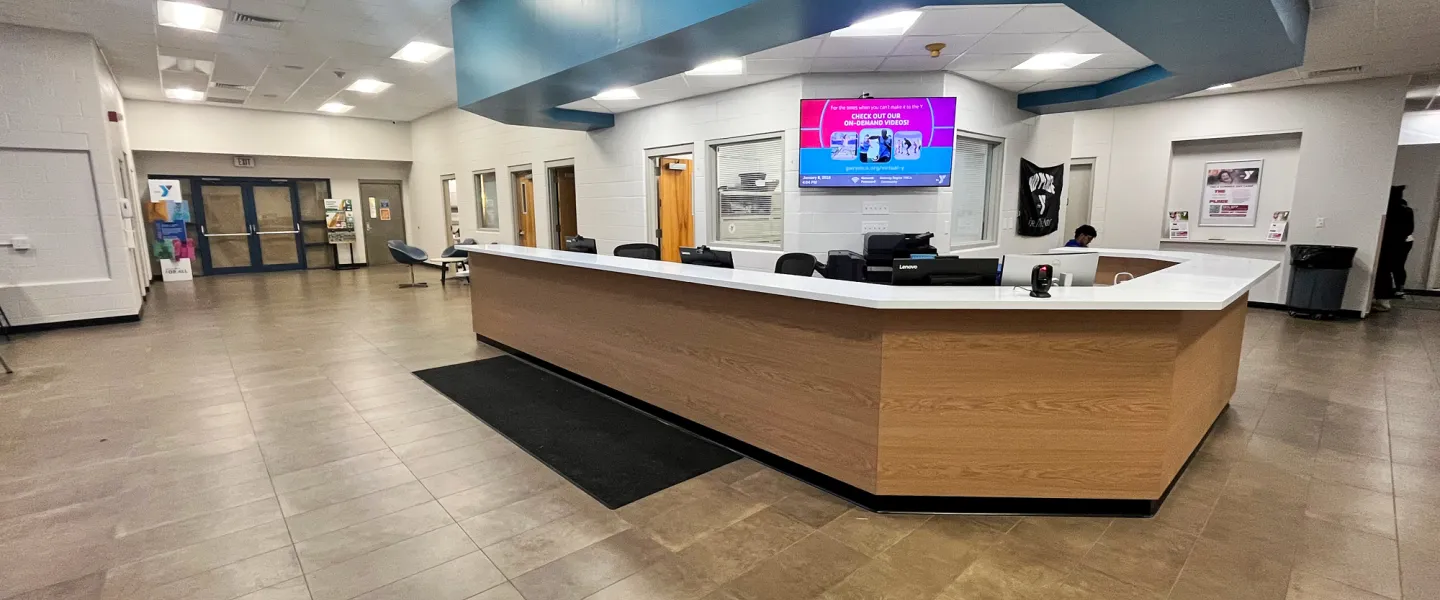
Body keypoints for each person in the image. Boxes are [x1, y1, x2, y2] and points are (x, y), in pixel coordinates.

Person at [1374, 186, 1415, 312]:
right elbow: (1409, 230)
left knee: (1383, 270)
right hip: (1401, 243)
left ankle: (1383, 299)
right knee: (1395, 267)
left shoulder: (1387, 209)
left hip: (1387, 243)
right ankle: (1394, 293)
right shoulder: (1406, 210)